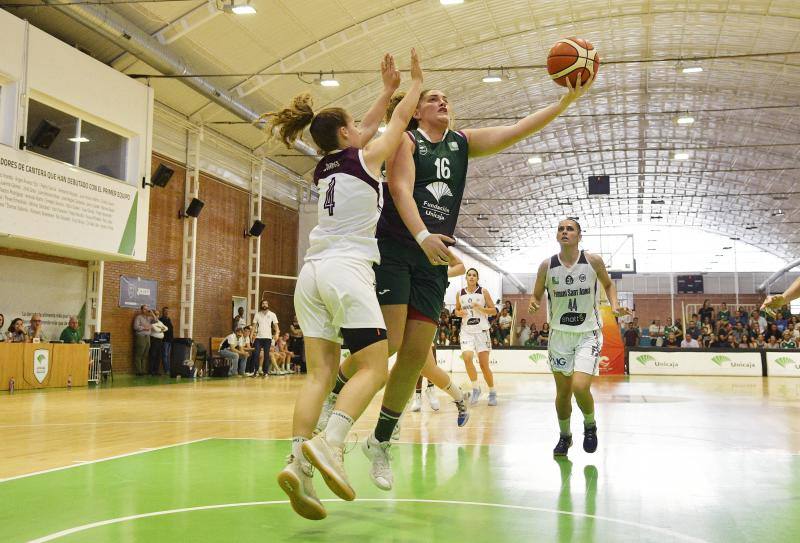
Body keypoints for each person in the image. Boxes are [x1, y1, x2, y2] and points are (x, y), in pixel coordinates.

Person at [335, 69, 595, 493]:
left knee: (417, 353)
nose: (442, 102)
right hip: (399, 246)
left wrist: (564, 103)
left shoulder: (462, 142)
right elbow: (400, 189)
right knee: (393, 342)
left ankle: (379, 441)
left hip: (433, 257)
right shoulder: (405, 138)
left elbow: (517, 130)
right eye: (433, 98)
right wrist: (421, 235)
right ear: (416, 110)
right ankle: (336, 392)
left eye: (445, 98)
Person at [270, 51, 425, 520]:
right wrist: (412, 86)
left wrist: (381, 91)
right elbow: (396, 122)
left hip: (311, 274)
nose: (365, 126)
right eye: (356, 123)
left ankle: (298, 461)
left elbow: (368, 123)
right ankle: (332, 442)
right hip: (347, 270)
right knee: (376, 366)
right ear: (345, 133)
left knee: (319, 374)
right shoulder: (368, 156)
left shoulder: (325, 167)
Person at [529, 218, 630, 457]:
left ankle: (590, 425)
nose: (565, 232)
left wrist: (614, 306)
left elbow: (608, 284)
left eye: (570, 229)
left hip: (588, 334)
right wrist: (533, 304)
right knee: (562, 393)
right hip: (559, 336)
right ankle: (565, 437)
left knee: (579, 386)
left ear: (579, 236)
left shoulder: (592, 261)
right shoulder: (547, 266)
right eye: (561, 229)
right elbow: (535, 295)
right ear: (557, 236)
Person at [455, 267, 498, 405]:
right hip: (467, 331)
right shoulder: (459, 293)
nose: (472, 277)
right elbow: (456, 310)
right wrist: (458, 313)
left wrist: (480, 308)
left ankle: (492, 392)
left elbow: (494, 311)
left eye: (474, 275)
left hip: (481, 332)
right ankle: (475, 389)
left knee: (484, 366)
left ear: (477, 278)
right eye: (469, 275)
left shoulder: (483, 291)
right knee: (467, 358)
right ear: (466, 278)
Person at [252, 299, 279, 377]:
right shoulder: (257, 314)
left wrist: (277, 333)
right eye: (263, 303)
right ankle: (256, 371)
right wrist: (251, 335)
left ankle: (265, 372)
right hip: (258, 338)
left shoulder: (272, 314)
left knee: (266, 355)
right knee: (256, 354)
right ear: (261, 305)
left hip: (268, 338)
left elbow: (276, 326)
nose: (264, 305)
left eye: (266, 304)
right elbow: (253, 326)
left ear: (268, 305)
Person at [132, 305, 153, 375]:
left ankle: (143, 371)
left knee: (145, 355)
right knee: (139, 354)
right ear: (141, 310)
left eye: (147, 309)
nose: (146, 311)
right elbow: (135, 327)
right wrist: (144, 328)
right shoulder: (138, 317)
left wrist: (152, 312)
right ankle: (138, 371)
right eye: (144, 309)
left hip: (148, 337)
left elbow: (156, 320)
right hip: (141, 337)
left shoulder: (149, 318)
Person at [149, 310, 168, 375]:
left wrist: (161, 328)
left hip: (160, 341)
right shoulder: (152, 322)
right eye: (156, 314)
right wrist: (161, 329)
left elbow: (166, 328)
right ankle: (151, 371)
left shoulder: (160, 322)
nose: (157, 316)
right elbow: (156, 330)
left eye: (158, 314)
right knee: (153, 355)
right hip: (154, 340)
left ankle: (156, 371)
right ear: (153, 315)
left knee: (158, 356)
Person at [160, 307, 174, 376]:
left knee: (168, 356)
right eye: (165, 311)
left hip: (170, 340)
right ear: (163, 312)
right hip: (165, 340)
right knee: (165, 355)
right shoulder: (161, 319)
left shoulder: (169, 319)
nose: (167, 312)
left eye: (167, 311)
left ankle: (169, 370)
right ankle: (166, 370)